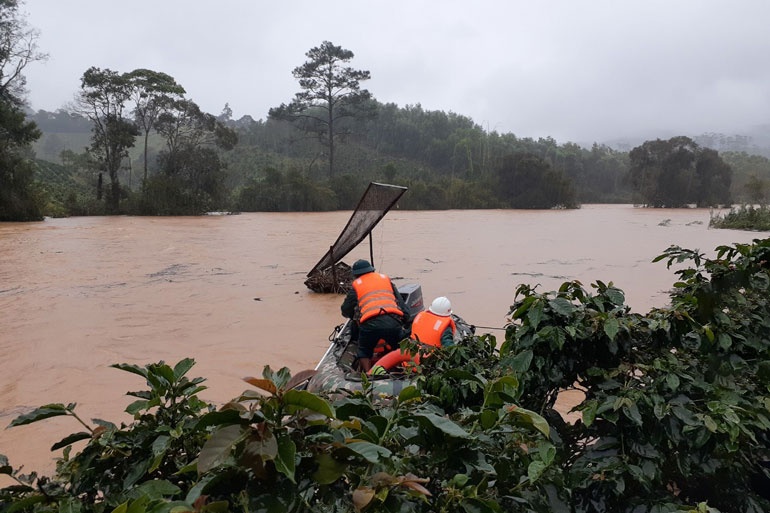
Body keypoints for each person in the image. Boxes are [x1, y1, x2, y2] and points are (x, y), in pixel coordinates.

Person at [341, 259, 409, 372]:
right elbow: (402, 305)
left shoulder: (357, 285)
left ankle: (368, 376)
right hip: (393, 322)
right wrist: (405, 320)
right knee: (399, 348)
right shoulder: (386, 281)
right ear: (372, 270)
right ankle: (402, 372)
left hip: (369, 325)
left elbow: (346, 310)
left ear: (356, 275)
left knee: (364, 350)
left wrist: (355, 317)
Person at [369, 296, 456, 375]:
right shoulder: (445, 327)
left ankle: (370, 374)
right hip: (428, 364)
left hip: (409, 360)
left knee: (397, 354)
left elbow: (408, 334)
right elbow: (449, 347)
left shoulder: (421, 316)